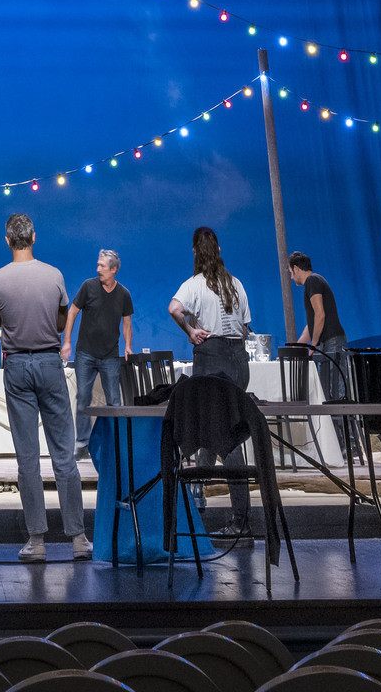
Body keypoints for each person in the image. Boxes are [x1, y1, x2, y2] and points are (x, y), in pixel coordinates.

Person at [0, 213, 92, 563]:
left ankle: (36, 541)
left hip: (16, 365)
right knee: (64, 454)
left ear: (7, 240)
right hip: (49, 363)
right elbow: (62, 320)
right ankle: (78, 538)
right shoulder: (54, 275)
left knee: (27, 458)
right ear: (34, 236)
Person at [169, 226, 253, 540]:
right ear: (218, 250)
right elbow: (245, 329)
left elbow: (173, 308)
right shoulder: (236, 284)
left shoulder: (195, 284)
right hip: (237, 358)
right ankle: (197, 493)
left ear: (195, 252)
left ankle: (242, 521)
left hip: (213, 356)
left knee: (227, 437)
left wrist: (191, 331)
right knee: (212, 426)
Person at [62, 247, 133, 454]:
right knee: (83, 397)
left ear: (113, 270)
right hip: (85, 353)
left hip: (110, 355)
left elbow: (127, 323)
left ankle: (114, 443)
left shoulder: (123, 294)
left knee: (114, 401)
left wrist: (128, 346)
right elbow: (72, 313)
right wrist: (66, 342)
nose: (98, 268)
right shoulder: (88, 286)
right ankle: (82, 444)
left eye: (102, 266)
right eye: (98, 265)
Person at [288, 250, 354, 453]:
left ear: (297, 269)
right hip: (328, 342)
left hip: (332, 342)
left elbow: (320, 314)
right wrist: (300, 345)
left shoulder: (312, 282)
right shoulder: (315, 282)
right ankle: (340, 444)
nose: (291, 277)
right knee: (329, 392)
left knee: (336, 393)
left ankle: (348, 445)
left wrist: (314, 344)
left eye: (291, 272)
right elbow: (312, 322)